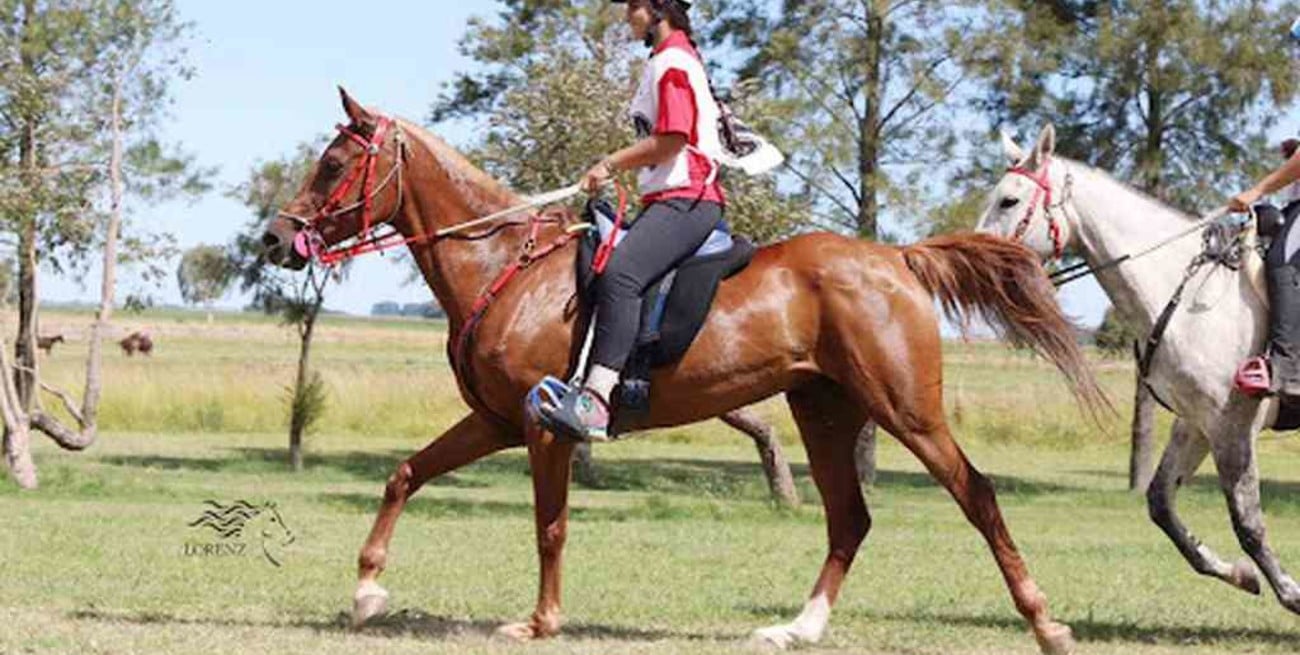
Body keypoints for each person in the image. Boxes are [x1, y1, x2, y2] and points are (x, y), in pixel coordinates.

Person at [543, 0, 727, 441]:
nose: (628, 16)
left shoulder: (673, 61)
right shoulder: (669, 59)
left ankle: (596, 402)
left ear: (656, 9)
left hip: (688, 199)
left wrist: (609, 163)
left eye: (633, 7)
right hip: (670, 199)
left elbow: (673, 138)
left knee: (622, 275)